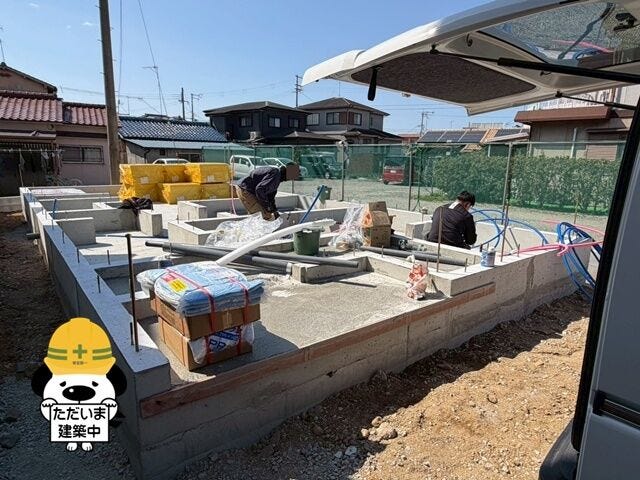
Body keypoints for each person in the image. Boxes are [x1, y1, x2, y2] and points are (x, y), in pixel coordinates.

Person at [235, 163, 300, 220]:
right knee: (262, 216)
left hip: (247, 189)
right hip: (245, 189)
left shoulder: (277, 177)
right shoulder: (275, 174)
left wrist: (274, 210)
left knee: (263, 215)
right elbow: (259, 189)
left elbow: (270, 196)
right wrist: (267, 207)